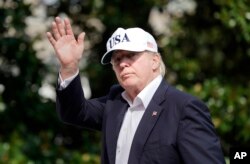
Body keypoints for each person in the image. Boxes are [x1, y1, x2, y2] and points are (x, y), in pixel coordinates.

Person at [47, 17, 226, 164]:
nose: (123, 63)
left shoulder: (183, 108)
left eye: (131, 55)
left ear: (155, 61)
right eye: (117, 59)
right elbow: (73, 112)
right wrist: (69, 67)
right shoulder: (115, 102)